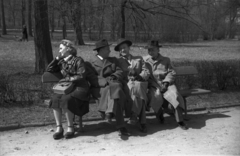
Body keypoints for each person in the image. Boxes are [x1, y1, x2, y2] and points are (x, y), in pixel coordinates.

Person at [46, 39, 90, 139]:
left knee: (66, 99)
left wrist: (67, 79)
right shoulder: (61, 62)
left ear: (68, 49)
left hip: (79, 88)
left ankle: (70, 127)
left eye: (61, 48)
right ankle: (59, 128)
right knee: (55, 99)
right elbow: (49, 69)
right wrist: (56, 59)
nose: (59, 50)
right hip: (66, 88)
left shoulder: (78, 60)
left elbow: (81, 75)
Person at [143, 40, 188, 130]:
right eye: (149, 50)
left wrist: (166, 83)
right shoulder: (144, 60)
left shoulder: (166, 60)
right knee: (156, 96)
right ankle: (160, 117)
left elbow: (171, 72)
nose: (150, 52)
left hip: (167, 84)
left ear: (158, 49)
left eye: (153, 49)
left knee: (174, 95)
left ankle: (180, 120)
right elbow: (143, 72)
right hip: (154, 85)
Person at [89, 39, 130, 136]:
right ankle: (121, 126)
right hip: (100, 87)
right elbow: (92, 77)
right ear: (102, 50)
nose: (110, 51)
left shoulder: (114, 60)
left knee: (115, 90)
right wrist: (105, 82)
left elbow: (120, 72)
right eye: (108, 48)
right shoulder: (91, 63)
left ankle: (109, 112)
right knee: (116, 94)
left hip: (114, 83)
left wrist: (114, 76)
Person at [116, 38, 150, 133]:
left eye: (124, 47)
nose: (123, 50)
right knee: (140, 95)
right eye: (120, 48)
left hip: (139, 81)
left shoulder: (138, 59)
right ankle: (142, 122)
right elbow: (118, 75)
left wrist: (139, 76)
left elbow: (146, 72)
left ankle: (134, 115)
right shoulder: (118, 62)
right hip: (127, 84)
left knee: (138, 86)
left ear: (129, 48)